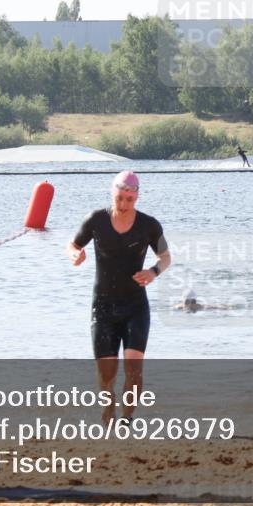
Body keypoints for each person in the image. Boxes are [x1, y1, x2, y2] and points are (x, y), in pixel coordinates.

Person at [67, 171, 171, 424]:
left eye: (129, 199)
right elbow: (72, 245)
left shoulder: (149, 225)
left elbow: (165, 257)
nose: (124, 204)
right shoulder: (96, 220)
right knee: (106, 371)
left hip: (135, 306)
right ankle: (107, 407)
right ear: (112, 194)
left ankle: (127, 418)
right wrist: (75, 255)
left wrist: (153, 272)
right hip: (102, 305)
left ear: (137, 197)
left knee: (134, 369)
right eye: (119, 198)